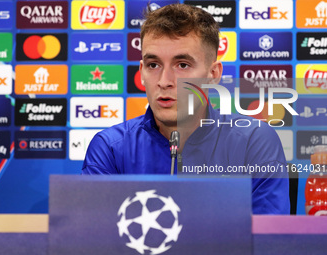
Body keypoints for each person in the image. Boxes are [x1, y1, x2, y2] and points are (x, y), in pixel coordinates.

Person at [82, 4, 290, 214]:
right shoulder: (110, 148)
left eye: (182, 65)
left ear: (213, 74)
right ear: (142, 72)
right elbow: (91, 239)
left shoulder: (253, 142)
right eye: (153, 65)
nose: (164, 81)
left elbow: (269, 241)